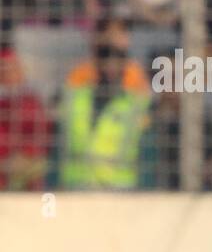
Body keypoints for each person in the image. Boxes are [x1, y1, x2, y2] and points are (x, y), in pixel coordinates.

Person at [56, 27, 151, 190]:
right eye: (106, 62)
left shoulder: (136, 106)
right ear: (96, 65)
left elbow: (147, 152)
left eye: (117, 63)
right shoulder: (74, 99)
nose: (111, 69)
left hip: (120, 190)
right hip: (75, 187)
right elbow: (57, 145)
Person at [0, 47, 53, 191]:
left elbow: (41, 140)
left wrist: (24, 156)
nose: (9, 74)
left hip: (27, 166)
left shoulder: (32, 103)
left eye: (13, 68)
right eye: (4, 71)